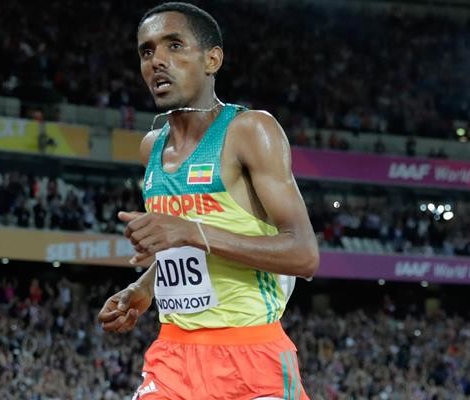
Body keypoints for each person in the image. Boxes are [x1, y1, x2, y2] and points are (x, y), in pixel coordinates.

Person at [98, 3, 319, 399]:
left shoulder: (250, 131)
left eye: (174, 45)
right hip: (173, 354)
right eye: (147, 51)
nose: (157, 61)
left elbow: (304, 255)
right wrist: (145, 287)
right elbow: (181, 245)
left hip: (251, 358)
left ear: (212, 59)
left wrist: (192, 231)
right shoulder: (151, 147)